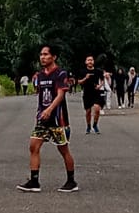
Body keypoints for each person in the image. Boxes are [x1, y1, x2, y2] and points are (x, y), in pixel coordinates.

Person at [17, 45, 78, 193]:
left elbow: (60, 95)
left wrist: (50, 110)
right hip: (42, 118)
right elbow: (40, 95)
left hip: (58, 118)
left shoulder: (60, 74)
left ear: (54, 57)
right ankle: (34, 181)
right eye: (41, 55)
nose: (42, 57)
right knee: (33, 146)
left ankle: (71, 181)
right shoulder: (40, 75)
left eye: (46, 54)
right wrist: (41, 112)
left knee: (63, 149)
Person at [77, 54, 106, 134]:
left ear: (93, 62)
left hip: (96, 92)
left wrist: (99, 86)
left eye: (91, 60)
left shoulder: (98, 71)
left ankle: (95, 125)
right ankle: (88, 126)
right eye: (88, 60)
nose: (90, 61)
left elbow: (103, 80)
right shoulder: (83, 71)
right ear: (86, 62)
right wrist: (85, 78)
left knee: (97, 109)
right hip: (87, 92)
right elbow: (79, 82)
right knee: (88, 111)